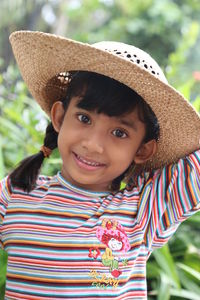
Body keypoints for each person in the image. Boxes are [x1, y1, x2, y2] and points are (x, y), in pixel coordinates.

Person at [0, 30, 199, 300]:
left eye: (119, 133)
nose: (93, 144)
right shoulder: (14, 194)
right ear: (59, 117)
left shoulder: (145, 208)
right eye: (84, 118)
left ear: (142, 149)